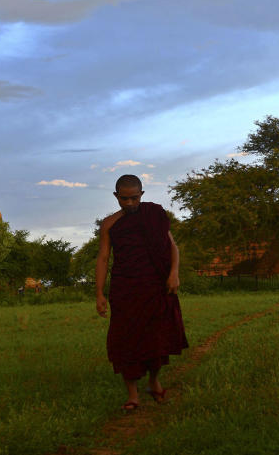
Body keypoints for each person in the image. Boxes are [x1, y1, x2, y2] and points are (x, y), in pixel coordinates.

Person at [95, 174, 188, 411]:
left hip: (155, 285)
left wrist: (174, 273)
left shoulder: (154, 214)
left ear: (142, 195)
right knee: (126, 339)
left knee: (157, 337)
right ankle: (132, 395)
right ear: (116, 196)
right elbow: (104, 258)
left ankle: (154, 381)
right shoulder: (109, 224)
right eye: (123, 199)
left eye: (134, 198)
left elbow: (172, 246)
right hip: (125, 288)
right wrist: (99, 293)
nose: (129, 204)